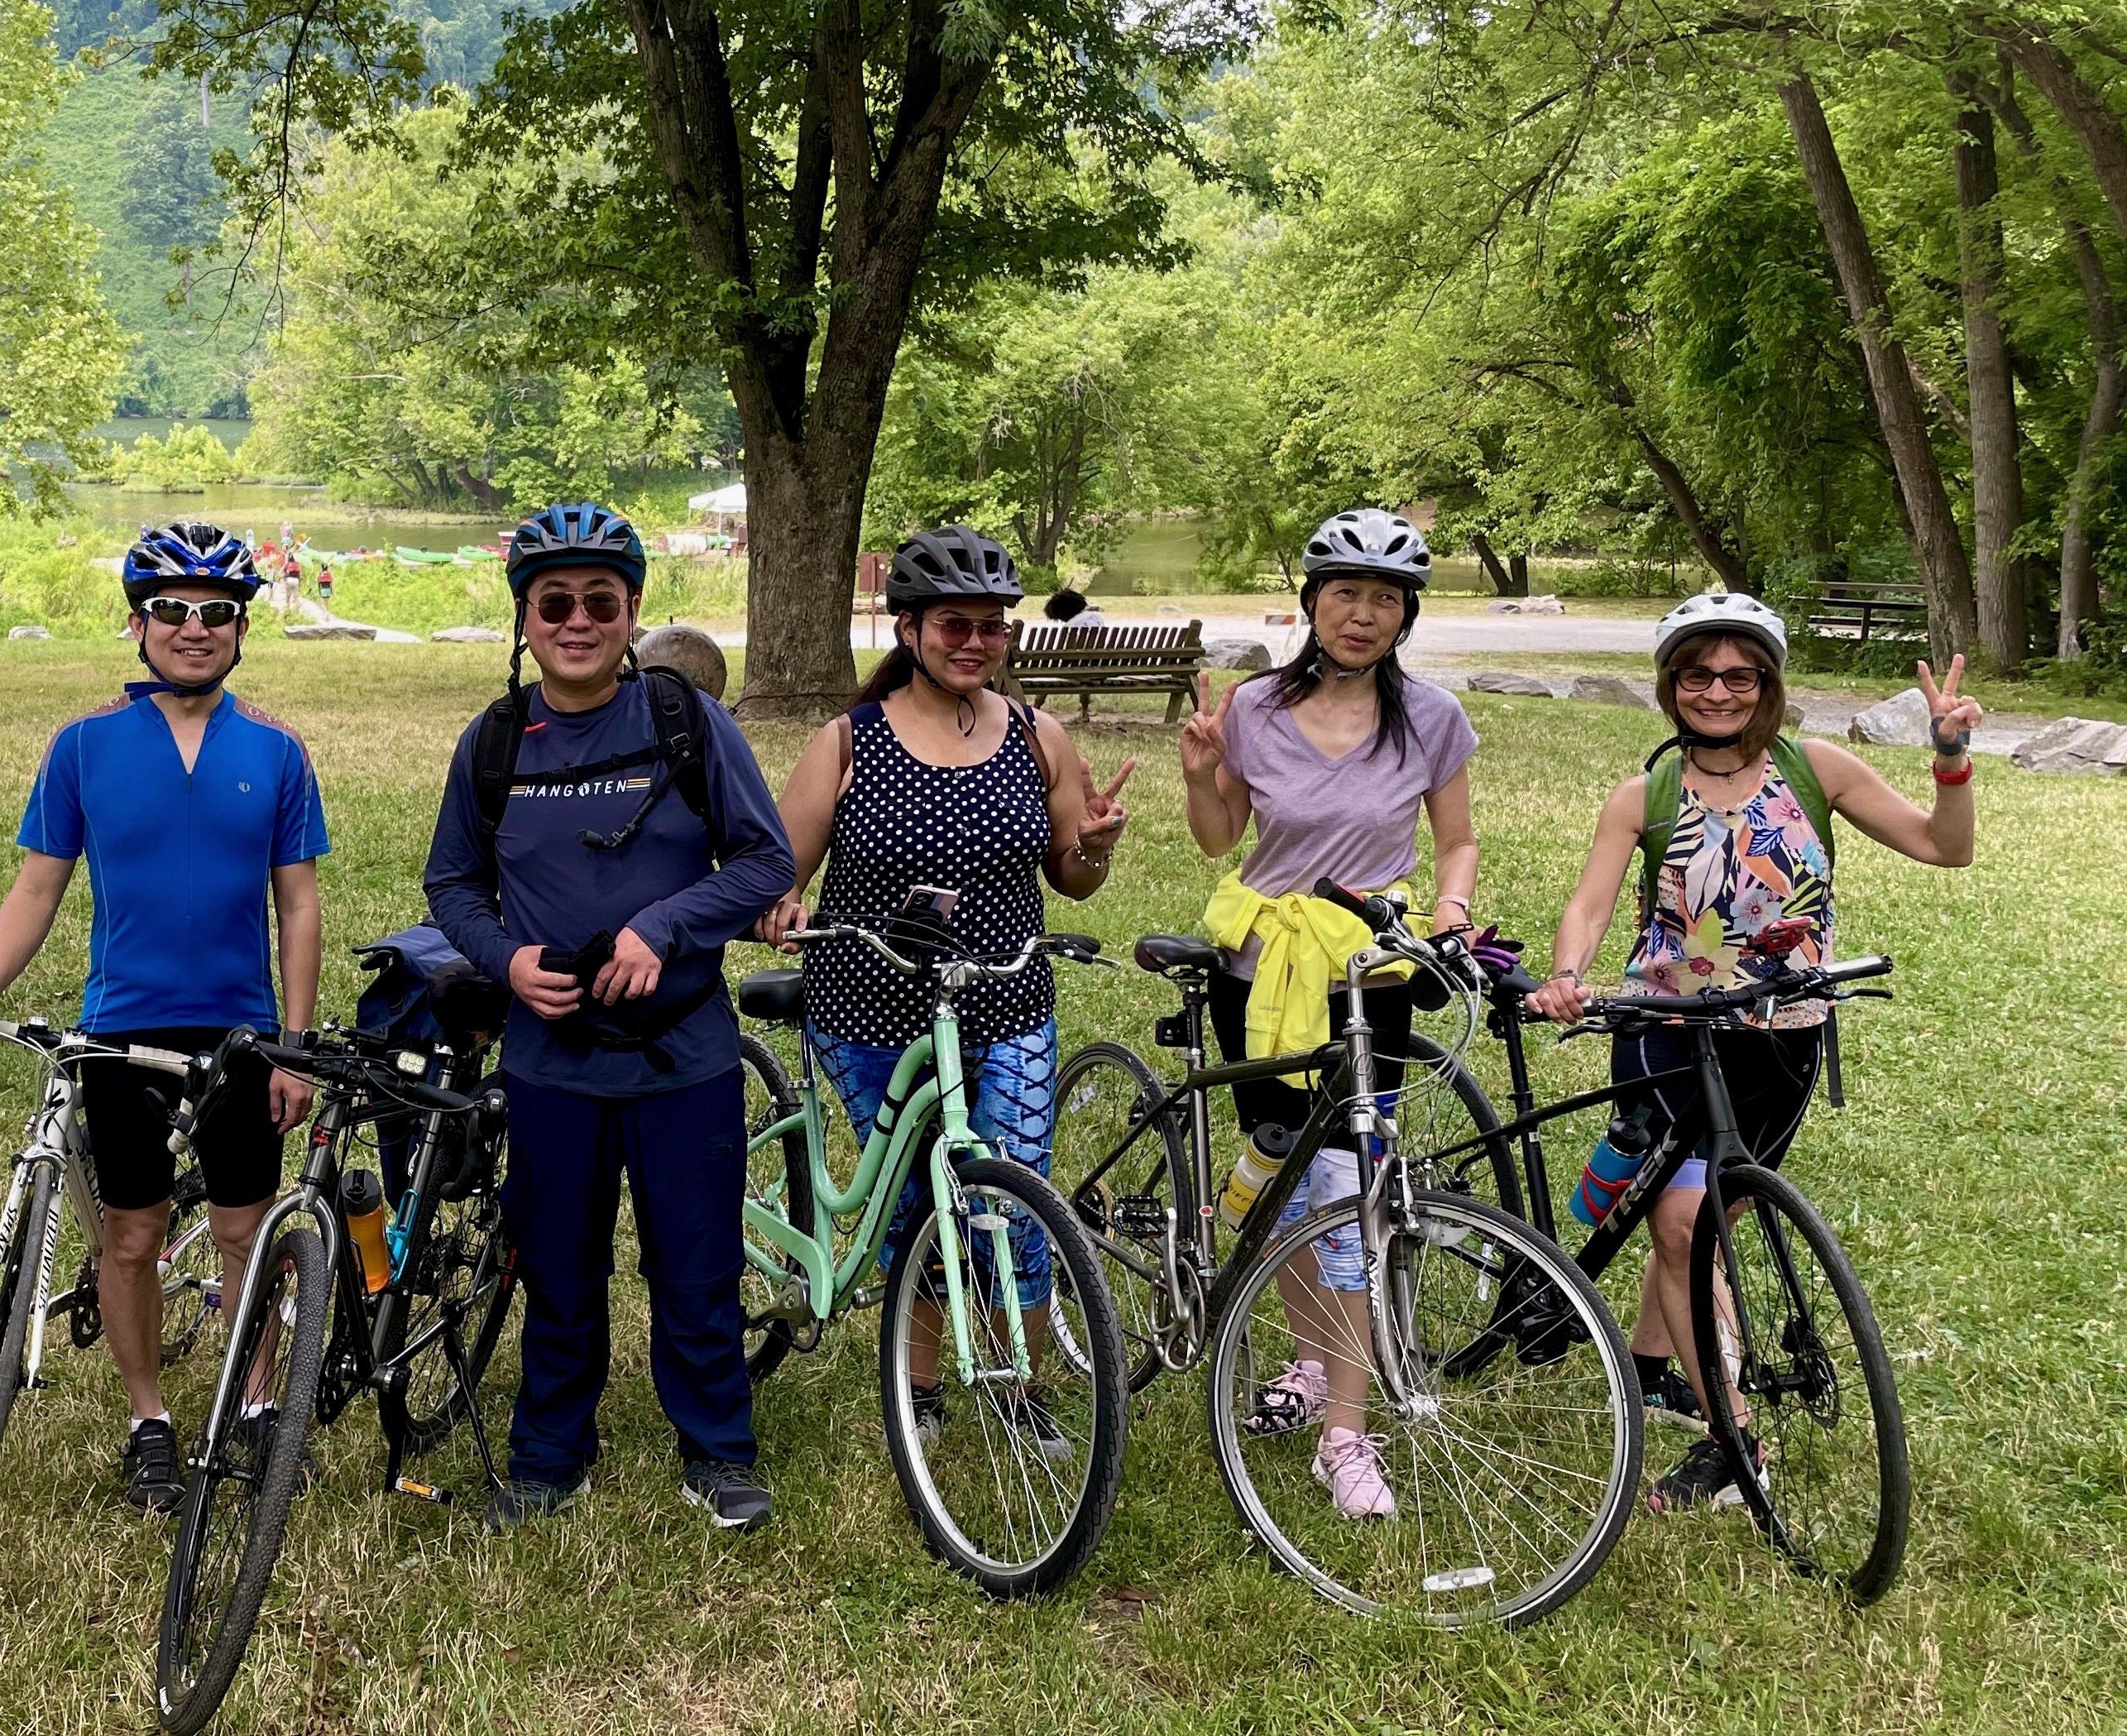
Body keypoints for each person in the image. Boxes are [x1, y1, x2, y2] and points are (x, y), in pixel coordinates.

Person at [1525, 595, 1979, 1512]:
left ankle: (1654, 1362)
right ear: (1672, 686)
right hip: (1665, 1034)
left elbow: (1945, 847)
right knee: (1686, 1221)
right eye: (1700, 674)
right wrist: (1569, 971)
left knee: (1700, 1212)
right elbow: (1590, 903)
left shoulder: (1817, 771)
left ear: (1767, 685)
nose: (1720, 691)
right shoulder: (1644, 796)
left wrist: (1951, 758)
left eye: (1741, 675)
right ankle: (1736, 1443)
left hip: (1780, 1040)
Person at [0, 520, 325, 1517]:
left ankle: (260, 1398)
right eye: (174, 612)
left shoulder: (274, 750)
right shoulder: (85, 747)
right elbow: (37, 887)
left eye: (217, 614)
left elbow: (299, 904)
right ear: (138, 623)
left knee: (243, 1231)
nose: (195, 629)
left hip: (239, 1032)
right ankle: (150, 1421)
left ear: (239, 629)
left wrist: (296, 1044)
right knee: (133, 1236)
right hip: (122, 1028)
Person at [424, 500, 797, 1533]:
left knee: (697, 1261)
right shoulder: (495, 741)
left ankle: (717, 1450)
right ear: (525, 618)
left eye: (600, 601)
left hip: (684, 1053)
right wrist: (508, 960)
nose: (577, 620)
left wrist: (663, 926)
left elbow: (767, 859)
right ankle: (550, 1453)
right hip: (551, 1056)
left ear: (632, 611)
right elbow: (451, 882)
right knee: (556, 1264)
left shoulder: (685, 720)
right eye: (555, 603)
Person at [753, 525, 1134, 1441]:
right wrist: (782, 901)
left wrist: (1095, 848)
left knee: (1016, 1198)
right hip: (869, 1008)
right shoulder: (849, 741)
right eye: (953, 624)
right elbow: (778, 868)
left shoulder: (1041, 736)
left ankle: (1017, 1385)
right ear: (911, 629)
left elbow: (1069, 875)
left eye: (993, 627)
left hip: (1004, 1003)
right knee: (916, 1209)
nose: (975, 642)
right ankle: (919, 1381)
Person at [1176, 506, 1479, 1523]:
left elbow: (1457, 842)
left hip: (1369, 978)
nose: (1362, 614)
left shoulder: (1431, 718)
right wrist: (1198, 771)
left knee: (1353, 1186)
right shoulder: (1256, 705)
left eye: (1384, 598)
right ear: (1311, 602)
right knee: (1289, 1178)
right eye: (1344, 593)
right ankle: (1311, 1354)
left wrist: (1452, 916)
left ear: (1406, 615)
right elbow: (1223, 834)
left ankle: (1346, 1433)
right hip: (1259, 974)